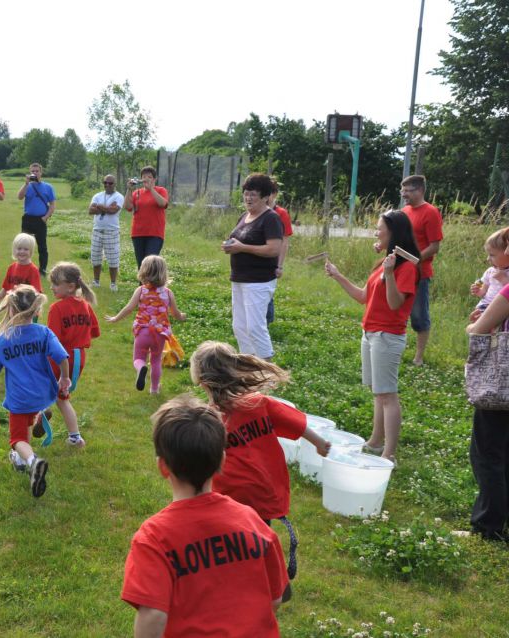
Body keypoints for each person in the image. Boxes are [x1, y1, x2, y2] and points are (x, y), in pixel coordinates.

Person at [121, 395, 289, 638]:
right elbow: (276, 598)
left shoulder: (153, 537)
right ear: (222, 460)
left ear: (162, 466)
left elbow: (152, 615)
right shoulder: (252, 521)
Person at [190, 340, 331, 582]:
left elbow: (200, 461)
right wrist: (320, 443)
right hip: (263, 490)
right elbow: (298, 424)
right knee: (259, 537)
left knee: (230, 540)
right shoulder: (258, 403)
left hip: (230, 495)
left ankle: (238, 576)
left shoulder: (209, 418)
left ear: (202, 382)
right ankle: (264, 575)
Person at [324, 211, 421, 461]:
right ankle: (376, 442)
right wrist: (336, 275)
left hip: (387, 336)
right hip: (370, 333)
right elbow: (363, 297)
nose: (376, 232)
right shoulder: (384, 262)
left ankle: (388, 455)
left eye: (379, 228)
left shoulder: (406, 267)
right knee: (379, 393)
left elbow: (394, 304)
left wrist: (389, 274)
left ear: (393, 232)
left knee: (388, 395)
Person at [0, 285, 70, 497]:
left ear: (11, 310)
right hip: (43, 393)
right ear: (37, 311)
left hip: (19, 398)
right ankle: (37, 424)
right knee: (30, 415)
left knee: (17, 440)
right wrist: (65, 377)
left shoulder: (3, 340)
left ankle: (33, 461)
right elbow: (61, 356)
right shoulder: (44, 333)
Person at [466, 241, 509, 544]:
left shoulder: (506, 291)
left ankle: (488, 525)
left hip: (501, 383)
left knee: (487, 453)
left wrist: (474, 326)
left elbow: (479, 328)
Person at [222, 173, 284, 360]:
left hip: (259, 281)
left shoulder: (271, 218)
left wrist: (242, 247)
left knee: (255, 327)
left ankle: (268, 371)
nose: (248, 198)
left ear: (265, 197)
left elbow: (273, 249)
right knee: (239, 326)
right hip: (239, 278)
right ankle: (249, 366)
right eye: (246, 194)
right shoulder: (244, 216)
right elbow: (239, 240)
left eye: (253, 195)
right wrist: (230, 246)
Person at [106, 255, 186, 394]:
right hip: (159, 333)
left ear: (144, 272)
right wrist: (182, 316)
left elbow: (129, 308)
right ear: (163, 273)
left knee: (138, 359)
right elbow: (175, 313)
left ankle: (141, 367)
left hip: (142, 331)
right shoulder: (168, 293)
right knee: (155, 361)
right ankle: (154, 389)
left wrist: (115, 318)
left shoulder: (141, 290)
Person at [45, 262, 99, 447]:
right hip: (79, 359)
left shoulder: (56, 308)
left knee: (43, 388)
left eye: (55, 284)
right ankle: (75, 437)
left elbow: (52, 341)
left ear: (70, 286)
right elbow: (95, 332)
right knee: (62, 397)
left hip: (60, 359)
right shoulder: (85, 305)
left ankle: (40, 414)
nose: (51, 287)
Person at [401, 175, 443, 366]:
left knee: (418, 315)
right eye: (402, 191)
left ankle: (418, 356)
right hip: (401, 271)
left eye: (407, 191)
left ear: (419, 190)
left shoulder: (431, 212)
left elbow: (435, 246)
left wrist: (415, 260)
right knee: (397, 312)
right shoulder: (404, 211)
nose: (403, 195)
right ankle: (396, 349)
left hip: (420, 274)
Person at [124, 166, 168, 268]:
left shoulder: (161, 190)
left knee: (150, 264)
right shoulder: (137, 192)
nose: (146, 179)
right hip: (138, 233)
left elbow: (163, 204)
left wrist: (151, 189)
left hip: (155, 233)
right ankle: (142, 284)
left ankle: (152, 284)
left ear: (154, 179)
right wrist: (129, 190)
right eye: (144, 176)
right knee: (141, 264)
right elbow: (128, 207)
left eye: (149, 177)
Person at [17, 162, 56, 275]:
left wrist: (45, 217)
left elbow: (52, 205)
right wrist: (26, 183)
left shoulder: (48, 187)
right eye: (32, 171)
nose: (34, 173)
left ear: (41, 172)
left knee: (42, 246)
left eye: (36, 171)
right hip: (28, 219)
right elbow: (19, 197)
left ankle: (42, 269)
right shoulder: (27, 186)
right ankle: (23, 266)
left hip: (40, 219)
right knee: (24, 245)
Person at [0, 233, 42, 311]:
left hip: (26, 310)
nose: (22, 252)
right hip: (11, 308)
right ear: (14, 249)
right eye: (19, 248)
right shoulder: (11, 268)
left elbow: (37, 293)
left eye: (26, 249)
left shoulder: (33, 270)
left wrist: (36, 309)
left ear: (31, 251)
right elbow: (5, 288)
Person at [88, 174, 124, 291]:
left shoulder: (119, 196)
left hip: (111, 231)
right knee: (95, 257)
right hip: (97, 230)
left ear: (115, 184)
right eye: (105, 183)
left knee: (113, 258)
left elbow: (113, 210)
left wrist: (99, 206)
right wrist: (105, 208)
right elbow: (90, 210)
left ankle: (113, 283)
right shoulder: (97, 195)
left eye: (110, 183)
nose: (107, 185)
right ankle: (96, 281)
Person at [266, 180, 293, 323]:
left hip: (272, 261)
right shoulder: (252, 211)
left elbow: (284, 241)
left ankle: (267, 322)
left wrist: (279, 265)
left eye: (269, 193)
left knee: (267, 293)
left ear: (275, 194)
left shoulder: (281, 213)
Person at [470, 228, 509, 312]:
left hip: (502, 308)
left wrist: (504, 280)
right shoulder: (490, 271)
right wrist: (478, 290)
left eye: (492, 255)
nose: (488, 259)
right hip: (485, 305)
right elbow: (483, 291)